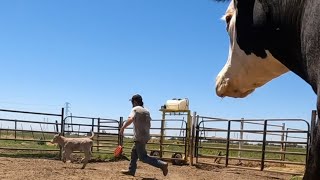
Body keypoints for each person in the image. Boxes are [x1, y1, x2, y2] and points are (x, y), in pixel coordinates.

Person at [120, 94, 168, 177]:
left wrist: (123, 127)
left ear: (134, 102)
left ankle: (162, 164)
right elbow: (149, 124)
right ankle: (131, 170)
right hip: (145, 136)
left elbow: (130, 119)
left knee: (143, 157)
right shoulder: (146, 111)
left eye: (132, 102)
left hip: (139, 137)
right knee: (134, 152)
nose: (132, 103)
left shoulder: (135, 109)